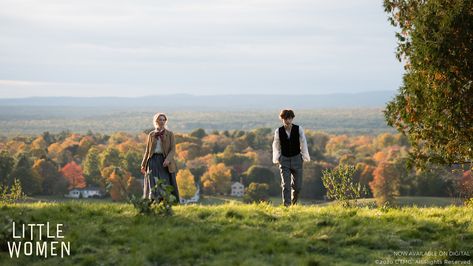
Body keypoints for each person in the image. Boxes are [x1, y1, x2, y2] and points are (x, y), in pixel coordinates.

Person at [272, 109, 310, 206]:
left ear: (292, 118)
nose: (287, 121)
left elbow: (303, 143)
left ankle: (294, 202)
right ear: (282, 119)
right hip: (284, 160)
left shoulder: (299, 129)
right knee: (286, 185)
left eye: (289, 118)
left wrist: (304, 156)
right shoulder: (278, 131)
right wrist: (277, 158)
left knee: (297, 186)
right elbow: (276, 145)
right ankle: (287, 206)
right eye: (285, 119)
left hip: (297, 159)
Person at [141, 113, 180, 203]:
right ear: (156, 121)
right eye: (160, 120)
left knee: (164, 182)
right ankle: (152, 202)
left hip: (164, 162)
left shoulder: (170, 134)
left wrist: (167, 160)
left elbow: (173, 149)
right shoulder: (151, 134)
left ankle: (166, 202)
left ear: (165, 121)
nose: (162, 121)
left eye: (163, 120)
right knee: (152, 182)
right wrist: (143, 164)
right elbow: (147, 151)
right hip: (152, 161)